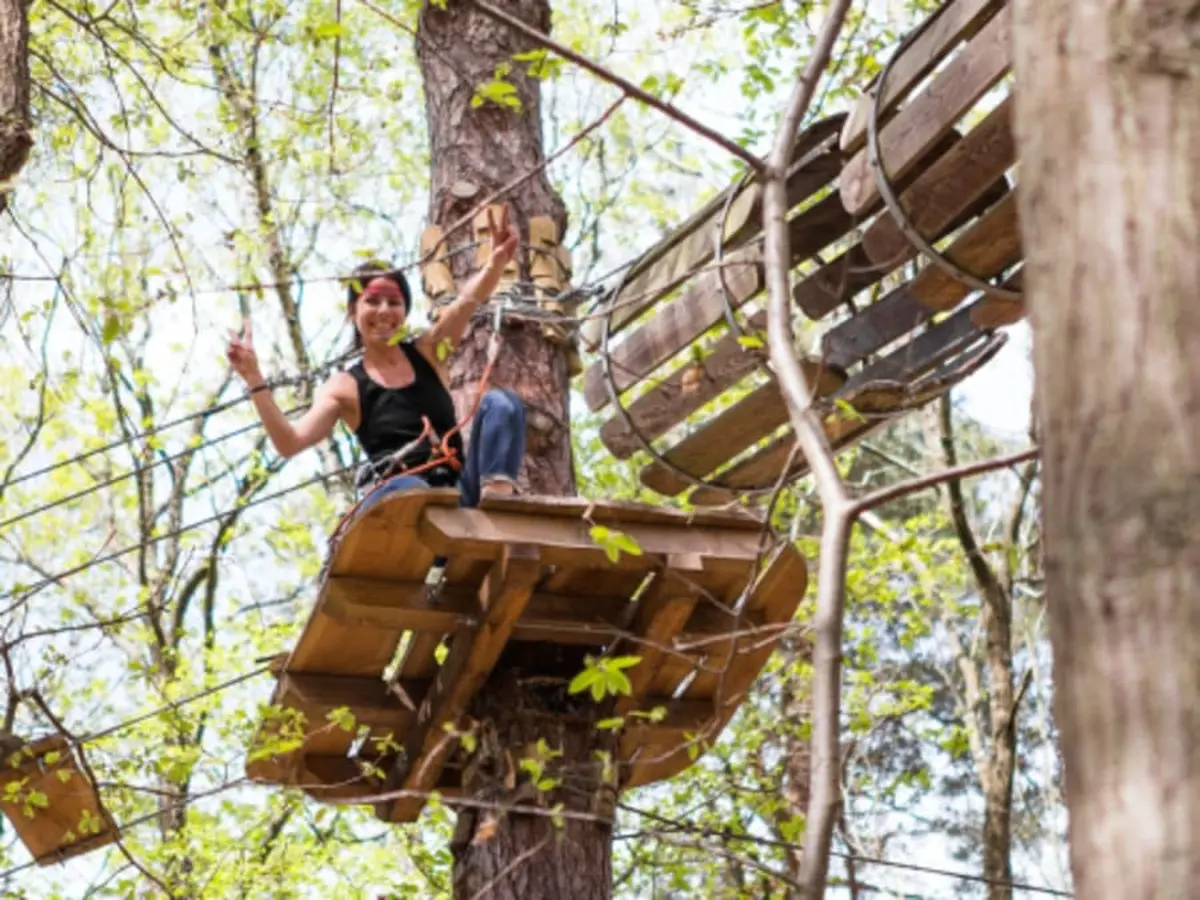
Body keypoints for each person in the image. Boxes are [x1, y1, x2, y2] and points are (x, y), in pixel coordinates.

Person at [225, 205, 527, 512]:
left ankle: (496, 506)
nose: (384, 311)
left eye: (394, 302)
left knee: (503, 404)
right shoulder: (345, 387)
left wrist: (495, 265)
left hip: (457, 495)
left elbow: (466, 303)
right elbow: (290, 442)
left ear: (404, 313)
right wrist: (254, 380)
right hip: (403, 501)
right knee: (410, 489)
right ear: (352, 312)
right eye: (372, 301)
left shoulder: (428, 351)